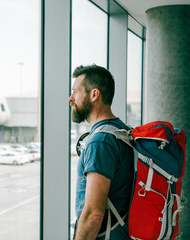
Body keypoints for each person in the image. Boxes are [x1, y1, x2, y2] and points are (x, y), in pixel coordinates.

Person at [69, 64, 134, 240]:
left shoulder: (101, 141)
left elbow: (93, 214)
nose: (70, 97)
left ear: (94, 94)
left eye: (75, 91)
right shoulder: (122, 130)